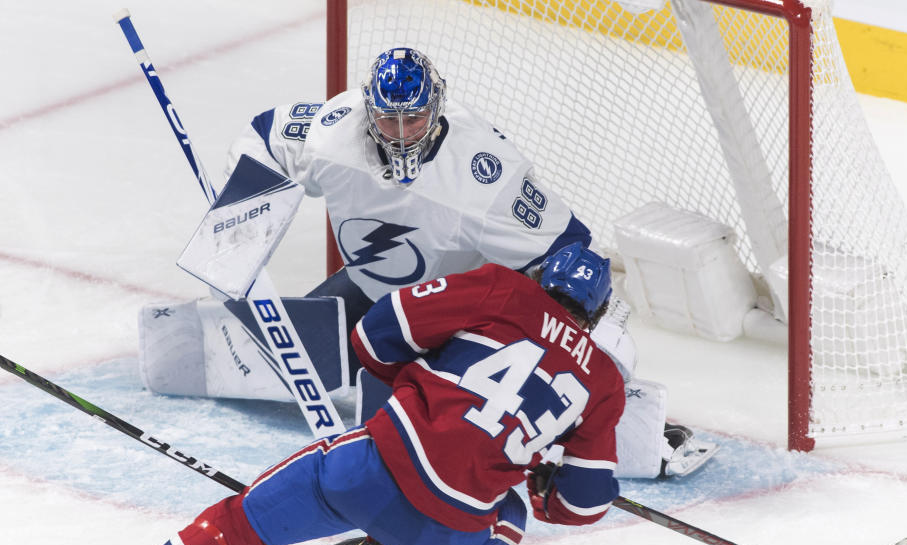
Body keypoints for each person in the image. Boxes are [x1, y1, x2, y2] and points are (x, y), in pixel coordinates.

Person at [138, 46, 712, 480]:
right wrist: (239, 228)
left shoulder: (485, 174)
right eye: (389, 120)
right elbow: (266, 135)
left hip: (455, 311)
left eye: (414, 119)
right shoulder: (332, 134)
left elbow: (572, 251)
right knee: (318, 351)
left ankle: (573, 409)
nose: (402, 133)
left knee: (444, 406)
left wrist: (580, 352)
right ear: (370, 112)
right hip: (373, 290)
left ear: (436, 108)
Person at [61, 245, 625, 545]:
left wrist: (415, 379)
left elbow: (376, 331)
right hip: (451, 529)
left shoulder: (505, 287)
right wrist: (542, 482)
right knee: (511, 525)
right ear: (595, 315)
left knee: (240, 526)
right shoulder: (604, 381)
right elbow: (582, 506)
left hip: (365, 473)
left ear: (542, 276)